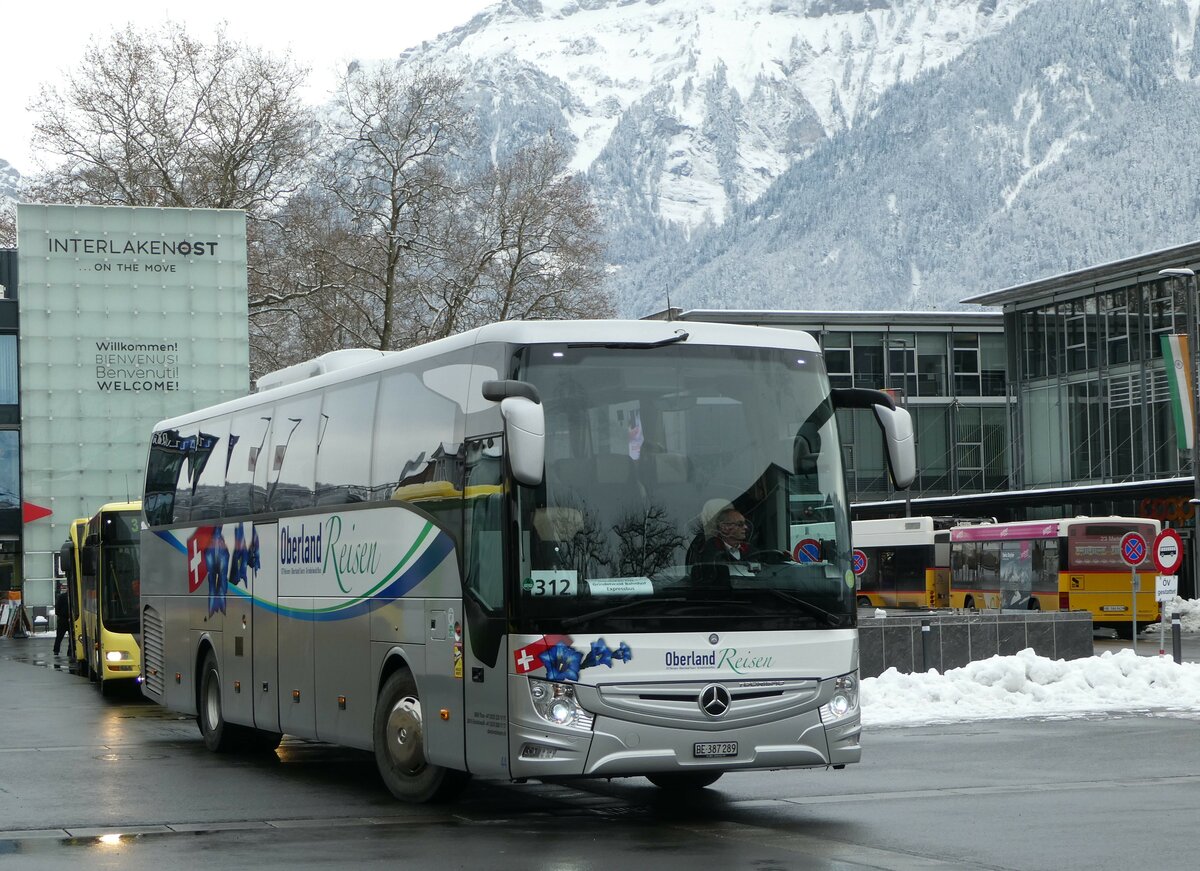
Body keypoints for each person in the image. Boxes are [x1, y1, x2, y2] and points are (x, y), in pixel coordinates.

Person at [53, 583, 70, 656]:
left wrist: (60, 615)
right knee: (71, 638)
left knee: (59, 637)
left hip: (62, 619)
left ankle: (56, 650)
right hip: (69, 620)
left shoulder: (61, 597)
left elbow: (57, 609)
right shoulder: (74, 598)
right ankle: (70, 651)